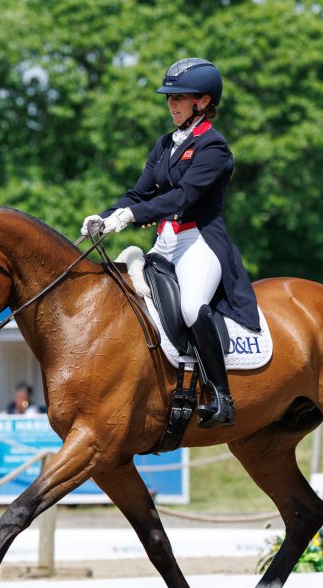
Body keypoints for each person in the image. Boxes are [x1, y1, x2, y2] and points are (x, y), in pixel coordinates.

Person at [80, 58, 258, 428]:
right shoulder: (165, 144)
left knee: (192, 307)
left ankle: (221, 396)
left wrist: (133, 216)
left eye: (179, 97)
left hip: (200, 241)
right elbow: (139, 192)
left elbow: (184, 196)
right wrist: (108, 215)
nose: (171, 104)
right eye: (169, 97)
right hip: (166, 241)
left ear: (203, 101)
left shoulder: (214, 147)